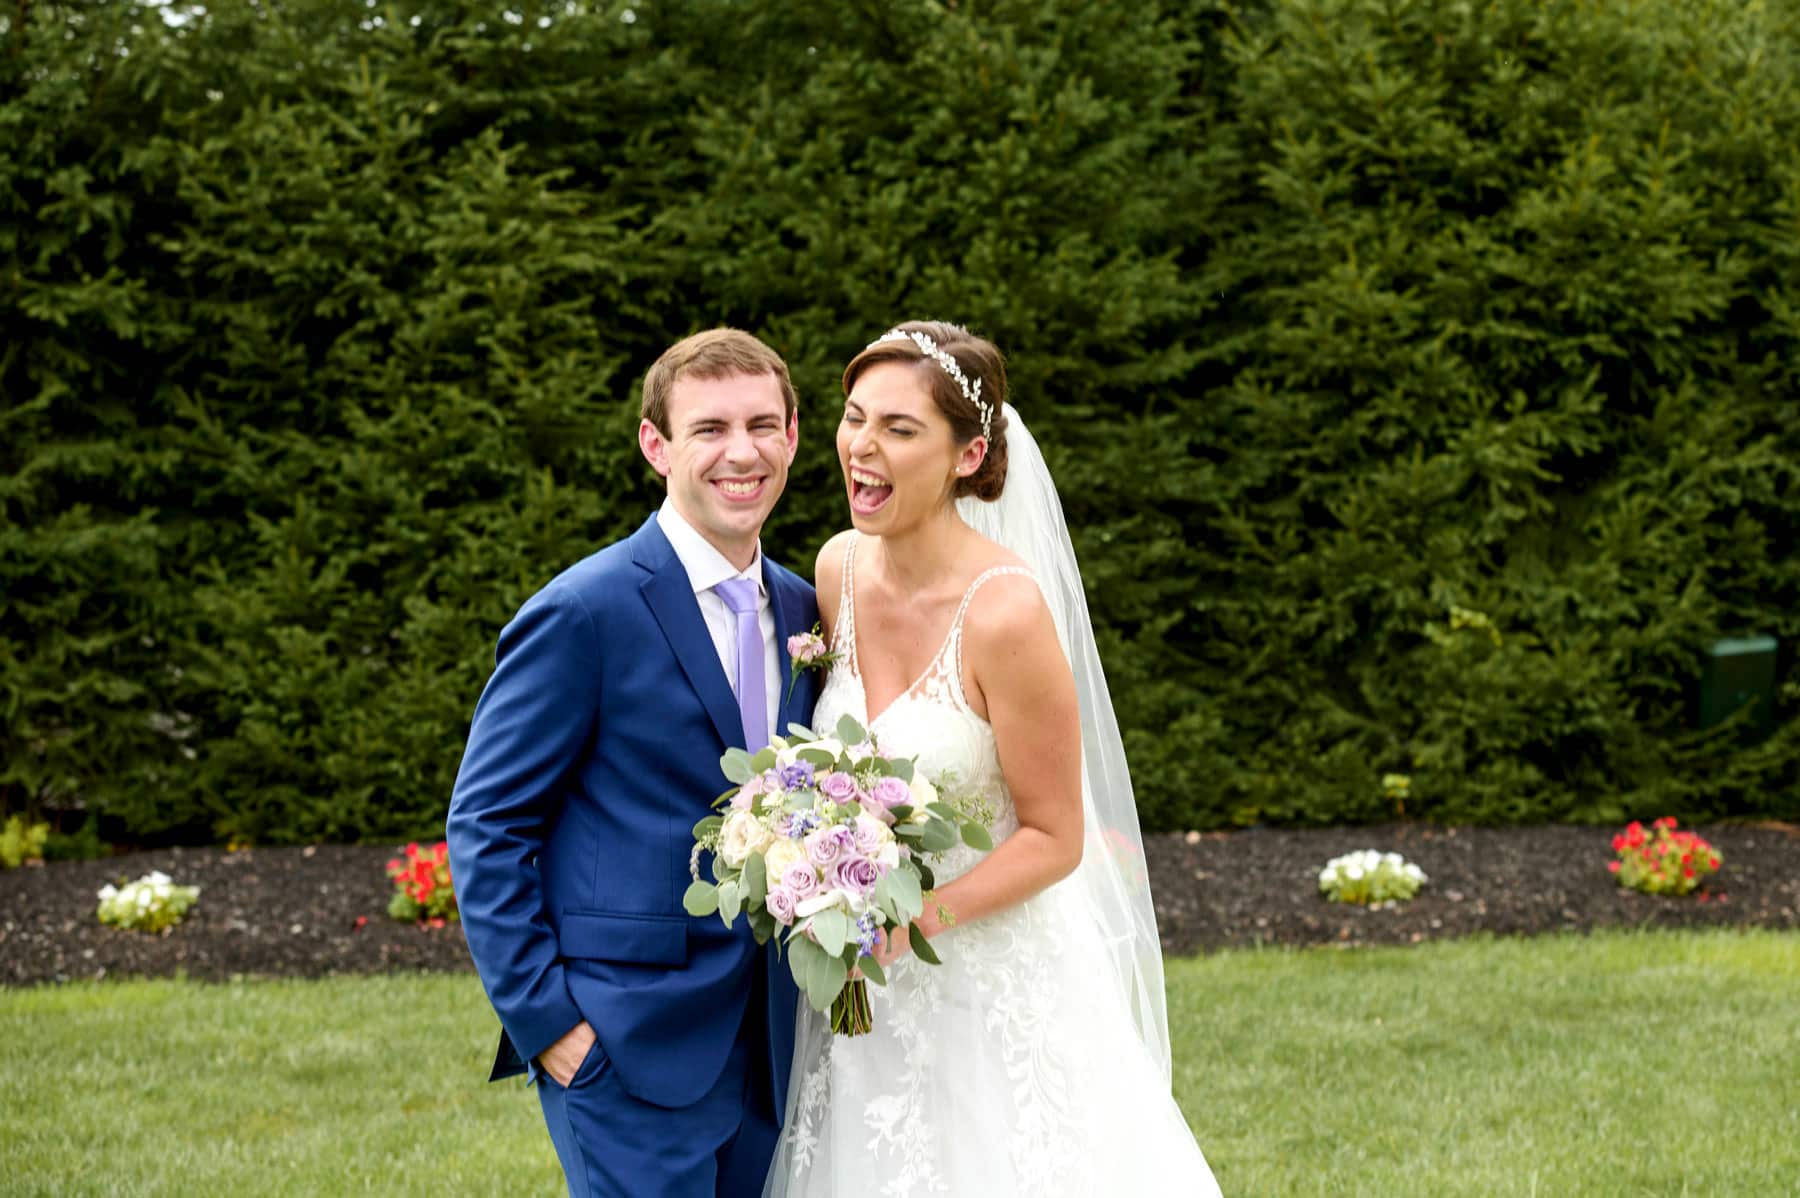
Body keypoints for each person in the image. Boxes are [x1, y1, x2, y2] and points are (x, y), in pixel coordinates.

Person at [764, 321, 1222, 1196]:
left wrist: (914, 924)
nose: (862, 445)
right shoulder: (836, 571)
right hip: (861, 991)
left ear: (969, 454)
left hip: (988, 983)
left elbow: (1055, 835)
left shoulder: (1005, 613)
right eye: (855, 417)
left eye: (900, 429)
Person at [447, 328, 820, 1198]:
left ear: (795, 436)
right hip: (624, 1045)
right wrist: (551, 1029)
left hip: (773, 1046)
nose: (743, 452)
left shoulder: (807, 609)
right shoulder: (584, 611)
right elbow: (487, 823)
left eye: (763, 425)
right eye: (709, 429)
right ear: (656, 445)